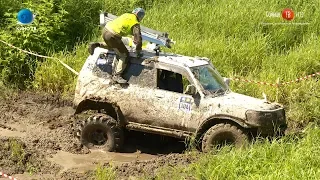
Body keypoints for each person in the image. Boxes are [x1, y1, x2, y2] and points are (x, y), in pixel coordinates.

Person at [102, 8, 145, 83]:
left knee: (114, 47)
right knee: (124, 55)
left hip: (105, 30)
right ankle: (117, 75)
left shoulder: (126, 15)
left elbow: (122, 26)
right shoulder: (135, 23)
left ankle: (97, 44)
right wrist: (138, 51)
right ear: (140, 16)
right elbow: (138, 39)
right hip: (113, 35)